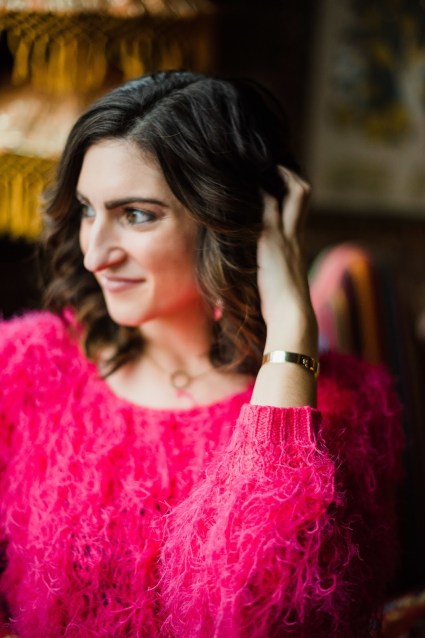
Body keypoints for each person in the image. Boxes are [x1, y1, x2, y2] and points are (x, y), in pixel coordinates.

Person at [0, 71, 402, 638]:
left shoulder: (350, 406)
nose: (94, 254)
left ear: (226, 221)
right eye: (88, 210)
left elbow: (270, 619)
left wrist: (290, 329)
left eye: (136, 214)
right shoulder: (25, 365)